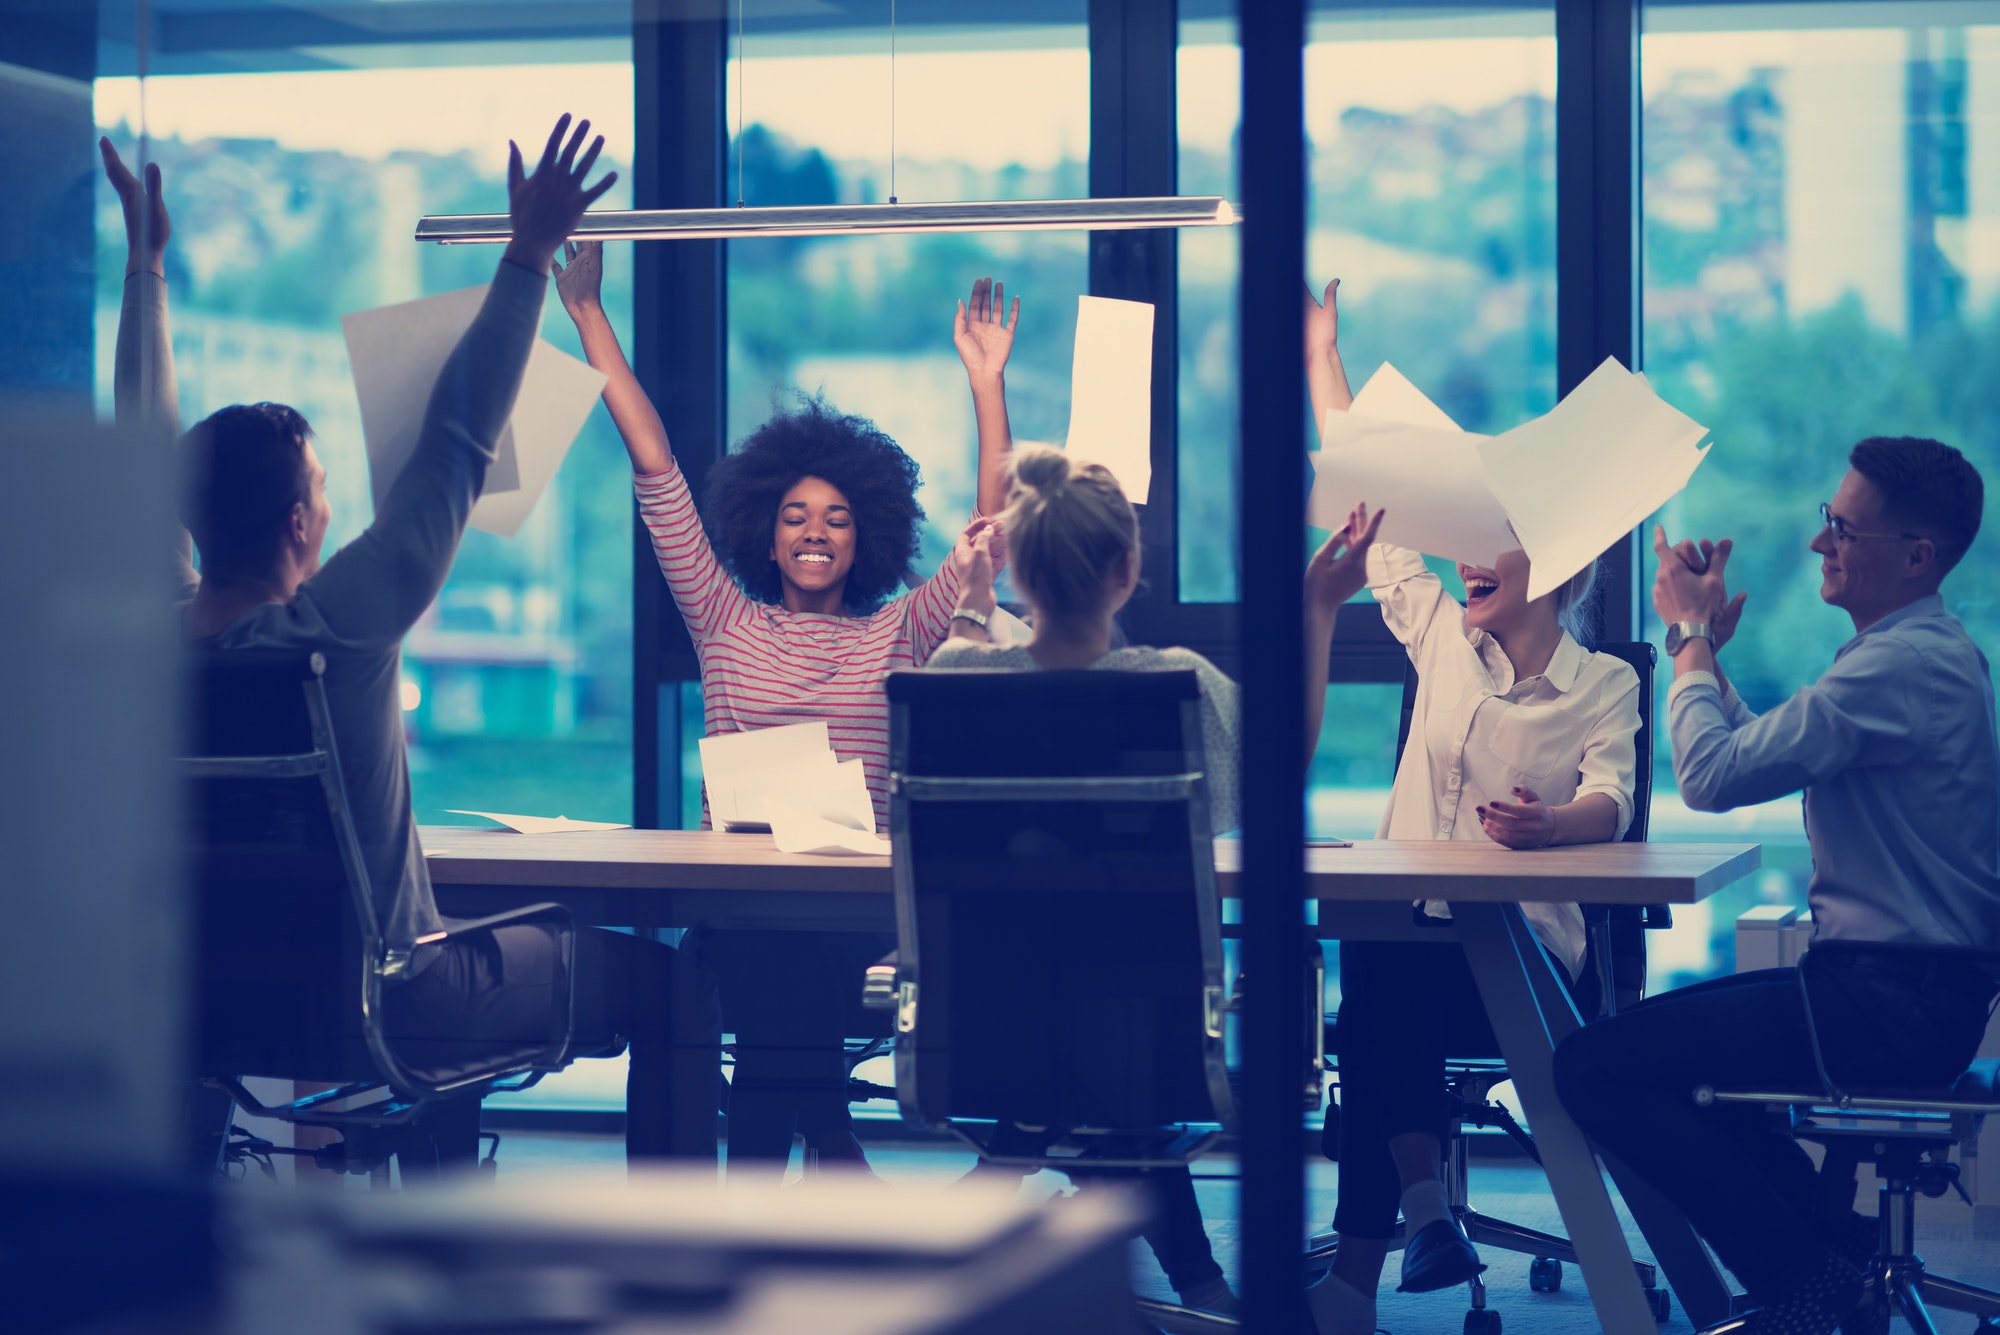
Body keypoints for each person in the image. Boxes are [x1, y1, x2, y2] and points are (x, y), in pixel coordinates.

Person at [105, 120, 721, 1163]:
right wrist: (525, 258)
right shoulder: (337, 627)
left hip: (207, 1002)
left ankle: (407, 1212)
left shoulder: (156, 642)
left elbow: (135, 461)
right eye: (322, 489)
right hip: (390, 1000)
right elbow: (456, 442)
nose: (332, 506)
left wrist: (146, 268)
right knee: (675, 983)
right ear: (302, 523)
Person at [552, 241, 1017, 1176]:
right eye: (797, 515)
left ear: (867, 536)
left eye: (837, 517)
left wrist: (986, 385)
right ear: (766, 530)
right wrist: (587, 312)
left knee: (783, 971)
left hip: (856, 918)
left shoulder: (899, 632)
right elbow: (655, 469)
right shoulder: (723, 619)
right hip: (742, 909)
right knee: (765, 953)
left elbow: (987, 537)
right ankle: (830, 1138)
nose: (814, 531)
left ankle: (790, 1163)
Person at [1554, 439, 2000, 1335]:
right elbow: (1768, 752)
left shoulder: (1897, 666)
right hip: (1898, 992)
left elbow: (1711, 779)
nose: (1818, 543)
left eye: (1844, 527)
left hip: (1887, 1001)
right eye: (1825, 520)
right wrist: (1709, 655)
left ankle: (1809, 1277)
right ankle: (1832, 1253)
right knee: (1674, 1065)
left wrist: (1683, 640)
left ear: (1917, 555)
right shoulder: (1918, 655)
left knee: (1592, 1065)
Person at [932, 443, 1384, 1316]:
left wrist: (972, 600)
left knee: (1072, 1026)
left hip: (987, 1035)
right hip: (1152, 1039)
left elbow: (962, 650)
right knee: (1108, 1037)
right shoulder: (1175, 686)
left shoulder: (957, 681)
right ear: (1127, 570)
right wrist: (1318, 606)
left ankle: (1163, 1260)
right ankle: (1201, 1284)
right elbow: (1279, 758)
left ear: (1017, 565)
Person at [1301, 278, 1643, 1335]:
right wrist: (1322, 359)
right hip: (1413, 946)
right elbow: (1380, 510)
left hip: (1524, 971)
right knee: (1380, 962)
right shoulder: (1442, 636)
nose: (1459, 556)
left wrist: (1551, 829)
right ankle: (1413, 1221)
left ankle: (1369, 1264)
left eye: (1485, 538)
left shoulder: (1603, 685)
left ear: (1551, 563)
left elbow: (1612, 803)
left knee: (1375, 1001)